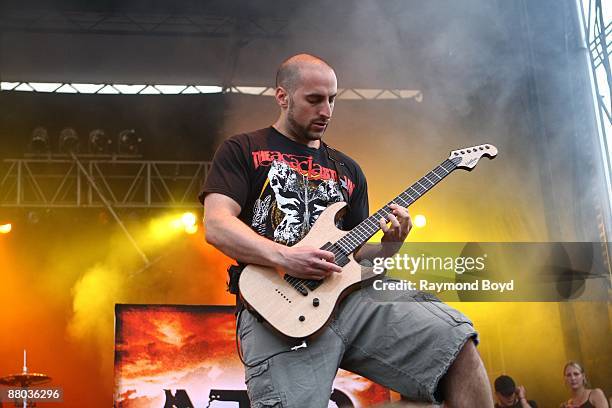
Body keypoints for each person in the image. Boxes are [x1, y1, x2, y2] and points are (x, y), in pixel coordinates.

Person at [201, 53, 493, 407]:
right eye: (314, 100)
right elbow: (216, 225)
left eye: (332, 99)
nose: (326, 110)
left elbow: (356, 257)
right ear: (282, 97)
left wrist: (390, 245)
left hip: (351, 302)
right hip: (277, 312)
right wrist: (287, 257)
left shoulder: (348, 169)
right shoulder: (244, 149)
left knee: (456, 343)